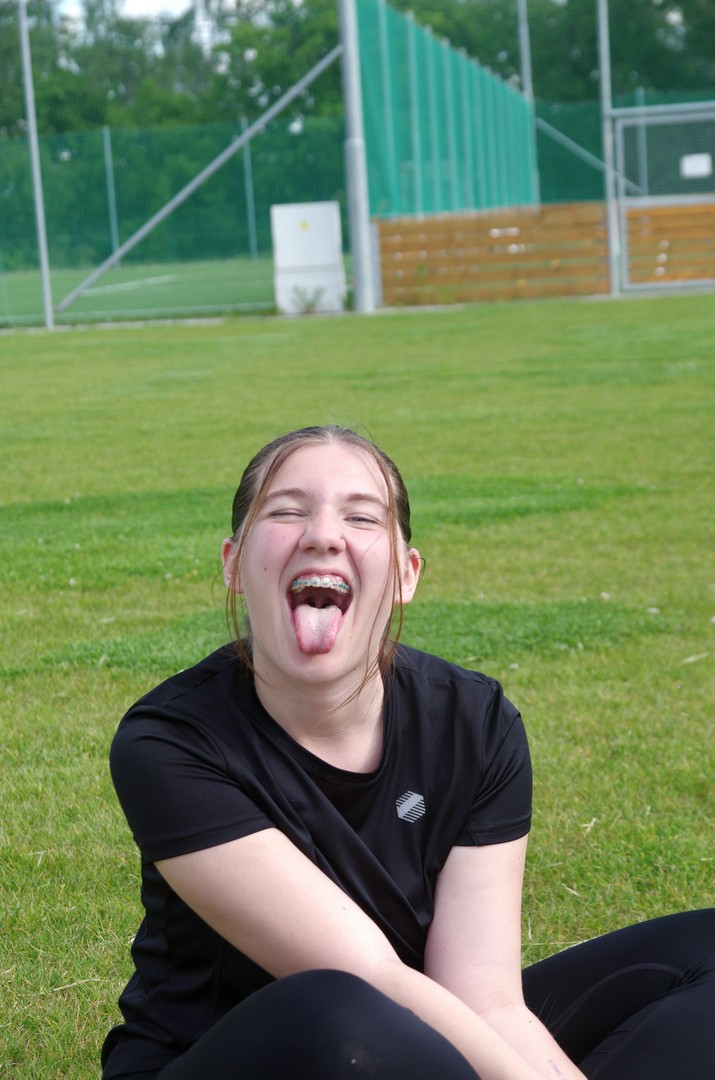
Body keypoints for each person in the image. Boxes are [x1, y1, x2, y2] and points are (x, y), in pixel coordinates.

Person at [102, 424, 714, 1080]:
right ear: (233, 564)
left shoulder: (473, 722)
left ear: (405, 574)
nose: (323, 534)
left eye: (362, 517)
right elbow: (368, 973)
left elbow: (485, 1000)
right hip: (264, 1050)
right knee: (339, 1011)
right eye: (286, 511)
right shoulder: (168, 742)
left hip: (416, 1041)